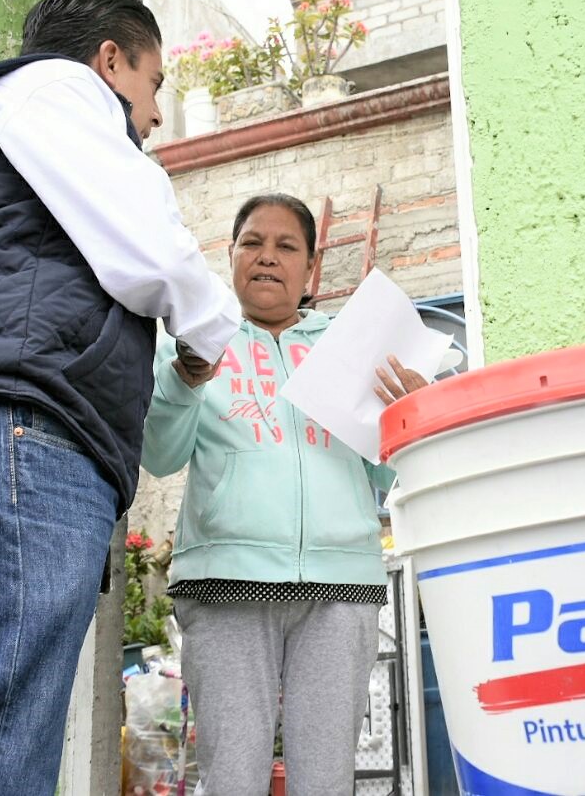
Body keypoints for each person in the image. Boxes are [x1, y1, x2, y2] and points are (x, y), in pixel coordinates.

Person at [0, 0, 239, 795]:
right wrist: (208, 335)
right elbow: (157, 250)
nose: (157, 115)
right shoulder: (55, 88)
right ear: (110, 58)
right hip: (15, 438)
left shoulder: (19, 118)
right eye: (155, 83)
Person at [142, 193, 427, 795]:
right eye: (253, 243)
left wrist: (415, 415)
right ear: (232, 255)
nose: (267, 257)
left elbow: (384, 473)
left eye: (286, 246)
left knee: (326, 780)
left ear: (309, 267)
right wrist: (183, 381)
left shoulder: (351, 347)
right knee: (233, 777)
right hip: (226, 583)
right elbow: (161, 456)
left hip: (339, 586)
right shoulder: (195, 342)